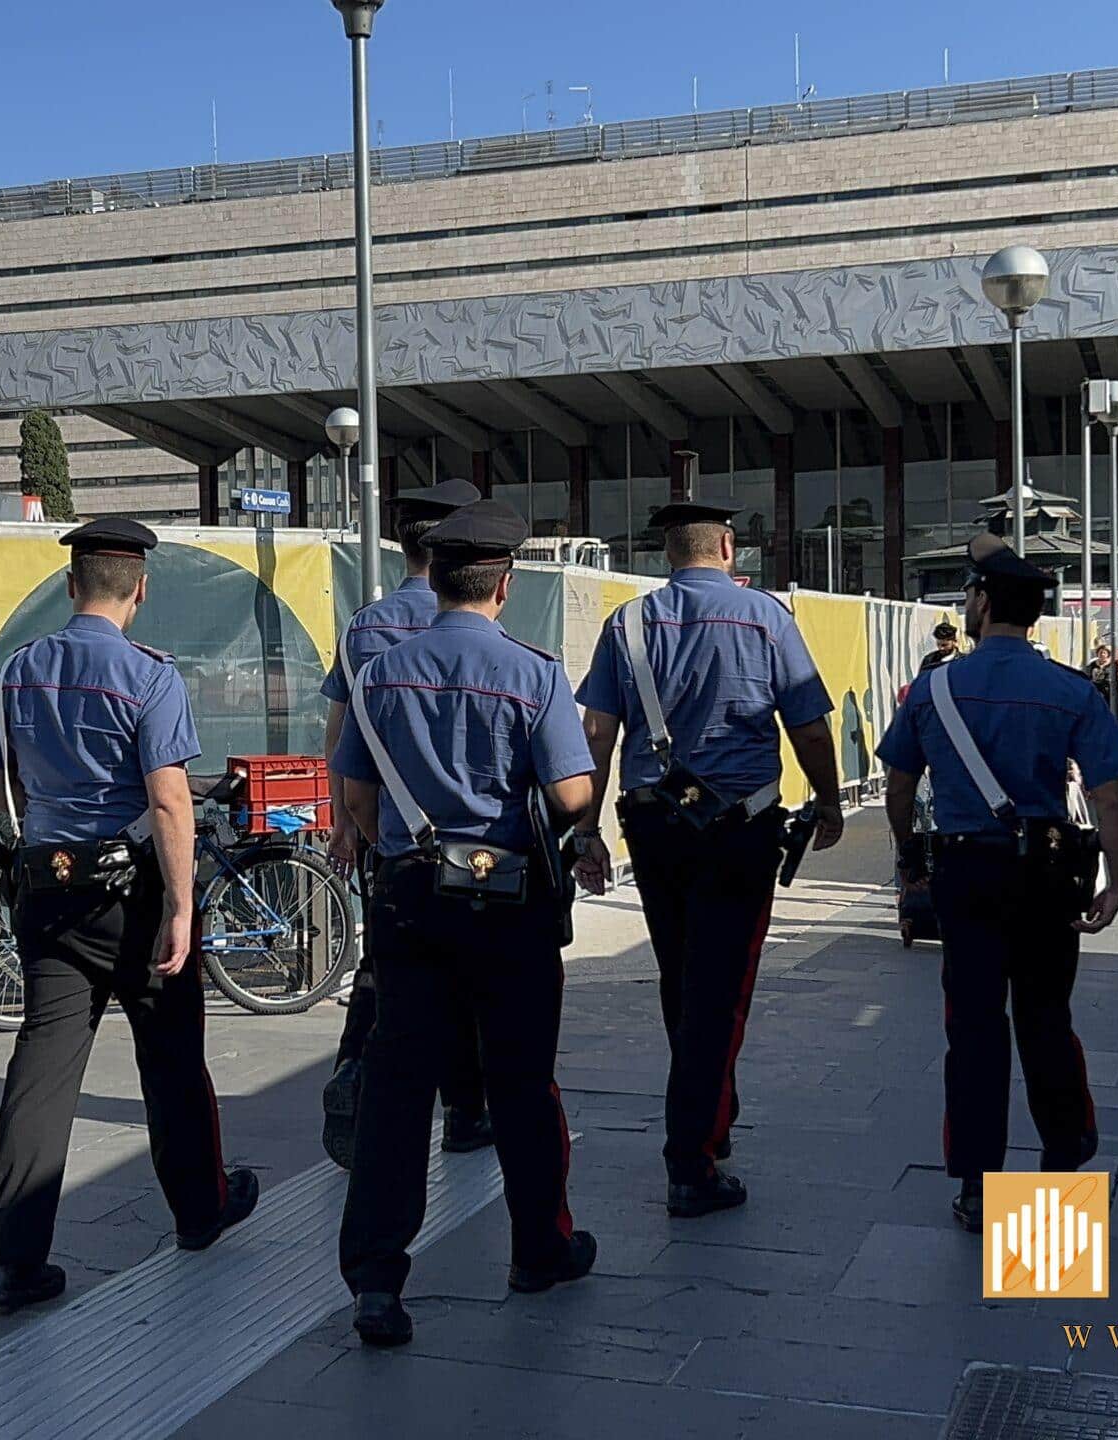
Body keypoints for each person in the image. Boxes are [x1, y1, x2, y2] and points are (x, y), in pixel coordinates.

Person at [0, 517, 257, 1313]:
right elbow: (168, 800)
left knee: (43, 1069)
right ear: (140, 590)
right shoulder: (149, 675)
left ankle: (13, 1262)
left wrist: (46, 820)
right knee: (170, 1058)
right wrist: (180, 908)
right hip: (132, 897)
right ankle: (200, 1211)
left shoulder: (19, 672)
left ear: (71, 587)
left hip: (49, 891)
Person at [333, 501, 601, 1348]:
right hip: (510, 903)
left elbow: (359, 802)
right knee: (522, 1080)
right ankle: (538, 1250)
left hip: (409, 900)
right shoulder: (534, 673)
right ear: (504, 585)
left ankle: (377, 1281)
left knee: (399, 1086)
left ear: (434, 577)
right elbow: (572, 796)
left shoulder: (379, 674)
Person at [571, 499, 845, 1218]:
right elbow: (809, 726)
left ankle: (708, 1110)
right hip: (739, 830)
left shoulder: (626, 624)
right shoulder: (768, 619)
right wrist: (829, 801)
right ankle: (692, 1157)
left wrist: (587, 832)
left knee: (681, 977)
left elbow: (597, 733)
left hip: (653, 825)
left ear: (669, 554)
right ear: (727, 546)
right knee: (721, 990)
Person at [876, 534, 1118, 1233]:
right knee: (1046, 1018)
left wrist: (909, 855)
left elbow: (900, 784)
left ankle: (978, 1187)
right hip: (1049, 872)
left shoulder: (934, 687)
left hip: (966, 870)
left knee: (974, 1028)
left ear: (984, 602)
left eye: (968, 593)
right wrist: (1117, 880)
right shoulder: (1070, 690)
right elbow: (1111, 795)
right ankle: (1061, 1165)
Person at [319, 478, 489, 1170]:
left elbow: (340, 730)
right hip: (469, 839)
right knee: (469, 974)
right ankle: (466, 1112)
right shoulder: (477, 619)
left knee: (386, 962)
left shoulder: (366, 626)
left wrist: (345, 821)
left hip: (384, 829)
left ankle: (357, 1072)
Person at [1083, 641, 1118, 715]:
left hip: (1111, 691)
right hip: (1097, 691)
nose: (1102, 654)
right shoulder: (1092, 664)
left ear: (1108, 654)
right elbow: (1088, 677)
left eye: (1104, 653)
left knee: (1111, 709)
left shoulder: (1114, 664)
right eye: (1100, 652)